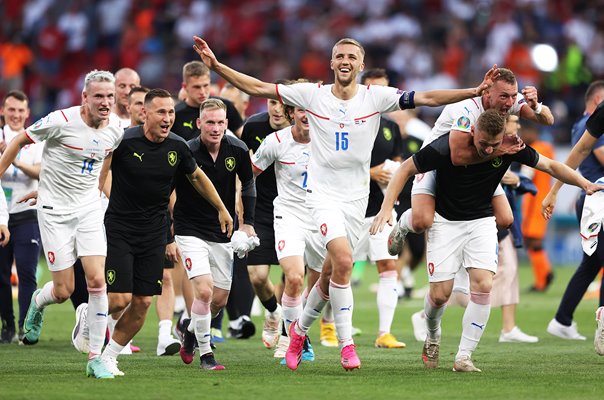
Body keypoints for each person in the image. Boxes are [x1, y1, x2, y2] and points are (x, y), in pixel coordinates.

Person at [192, 35, 499, 370]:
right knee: (344, 259)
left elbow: (425, 97)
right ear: (331, 61)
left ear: (360, 65)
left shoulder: (375, 97)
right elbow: (258, 88)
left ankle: (298, 332)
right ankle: (347, 347)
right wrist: (218, 66)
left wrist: (472, 91)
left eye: (352, 56)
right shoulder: (313, 94)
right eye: (339, 55)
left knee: (328, 275)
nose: (345, 61)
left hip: (356, 199)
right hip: (322, 197)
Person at [370, 109, 603, 372]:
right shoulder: (447, 146)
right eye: (483, 144)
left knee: (483, 285)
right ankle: (433, 335)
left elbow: (551, 165)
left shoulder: (510, 146)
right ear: (473, 133)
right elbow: (405, 168)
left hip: (481, 221)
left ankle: (464, 356)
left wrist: (584, 183)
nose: (489, 150)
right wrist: (387, 208)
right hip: (445, 220)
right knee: (439, 296)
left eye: (494, 145)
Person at [73, 89, 232, 376]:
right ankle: (88, 315)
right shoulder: (124, 140)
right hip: (120, 228)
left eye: (171, 112)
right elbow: (100, 171)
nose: (168, 118)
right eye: (161, 112)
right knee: (120, 299)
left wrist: (222, 207)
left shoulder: (178, 147)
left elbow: (197, 177)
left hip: (154, 233)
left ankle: (108, 358)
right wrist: (88, 201)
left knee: (143, 302)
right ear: (144, 113)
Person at [0, 70, 124, 379]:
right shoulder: (60, 121)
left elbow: (105, 163)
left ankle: (96, 357)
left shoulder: (116, 130)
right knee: (64, 289)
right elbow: (17, 140)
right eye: (99, 96)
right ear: (84, 97)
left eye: (110, 96)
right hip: (54, 212)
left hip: (89, 210)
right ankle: (38, 303)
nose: (105, 102)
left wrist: (105, 195)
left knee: (97, 282)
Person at [388, 68, 554, 258]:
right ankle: (404, 222)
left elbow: (548, 120)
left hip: (477, 164)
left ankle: (473, 243)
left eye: (512, 96)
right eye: (504, 96)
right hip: (438, 162)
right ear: (487, 92)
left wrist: (537, 107)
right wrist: (501, 150)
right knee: (421, 222)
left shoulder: (508, 102)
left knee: (505, 218)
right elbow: (458, 156)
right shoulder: (465, 110)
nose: (509, 103)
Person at [176, 98, 255, 371]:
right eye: (210, 122)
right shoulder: (187, 151)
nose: (216, 127)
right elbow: (169, 191)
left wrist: (248, 223)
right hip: (189, 229)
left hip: (223, 231)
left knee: (218, 301)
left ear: (227, 124)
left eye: (221, 122)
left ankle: (190, 330)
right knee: (205, 290)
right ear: (199, 123)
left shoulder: (239, 149)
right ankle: (206, 354)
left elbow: (248, 184)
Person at [251, 100, 325, 363]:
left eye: (311, 109)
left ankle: (300, 335)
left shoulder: (327, 138)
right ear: (291, 113)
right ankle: (293, 341)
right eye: (301, 110)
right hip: (289, 215)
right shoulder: (276, 141)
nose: (307, 115)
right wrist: (243, 216)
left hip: (321, 216)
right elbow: (249, 175)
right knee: (294, 278)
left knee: (318, 286)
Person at [542, 82, 604, 348]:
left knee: (590, 265)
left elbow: (580, 151)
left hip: (590, 197)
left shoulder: (589, 119)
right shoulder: (595, 118)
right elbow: (584, 152)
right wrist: (555, 190)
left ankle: (563, 319)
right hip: (595, 196)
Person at [352, 68, 406, 349]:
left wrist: (392, 174)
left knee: (388, 266)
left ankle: (384, 333)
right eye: (374, 88)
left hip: (380, 209)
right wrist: (371, 173)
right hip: (348, 208)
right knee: (336, 269)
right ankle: (328, 326)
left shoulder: (391, 127)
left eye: (385, 89)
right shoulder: (346, 121)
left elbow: (397, 163)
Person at [240, 84, 291, 349]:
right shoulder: (253, 127)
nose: (277, 109)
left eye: (282, 104)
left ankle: (287, 335)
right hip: (261, 208)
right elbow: (244, 171)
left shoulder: (306, 131)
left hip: (295, 209)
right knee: (258, 276)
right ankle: (273, 311)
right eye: (272, 103)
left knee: (291, 276)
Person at [0, 90, 36, 344]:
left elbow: (41, 172)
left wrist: (11, 156)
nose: (15, 115)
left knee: (26, 272)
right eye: (11, 110)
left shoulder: (37, 139)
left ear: (27, 113)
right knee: (1, 274)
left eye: (20, 110)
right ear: (3, 111)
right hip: (0, 213)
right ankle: (8, 326)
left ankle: (26, 327)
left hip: (27, 214)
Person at [520, 122, 555, 292]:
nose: (521, 135)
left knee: (533, 241)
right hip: (544, 199)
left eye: (523, 131)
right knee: (534, 241)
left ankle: (543, 279)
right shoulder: (547, 148)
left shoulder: (532, 150)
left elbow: (526, 176)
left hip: (534, 204)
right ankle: (545, 274)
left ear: (532, 131)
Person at [172, 61, 243, 140]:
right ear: (185, 86)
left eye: (205, 85)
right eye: (197, 87)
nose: (202, 92)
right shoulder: (175, 115)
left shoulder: (225, 106)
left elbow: (245, 138)